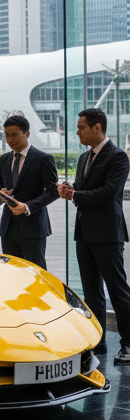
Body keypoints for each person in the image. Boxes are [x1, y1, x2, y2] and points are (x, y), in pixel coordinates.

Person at [58, 108, 130, 364]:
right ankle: (97, 342)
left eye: (81, 127)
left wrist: (75, 195)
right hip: (85, 232)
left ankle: (128, 344)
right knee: (91, 292)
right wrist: (70, 190)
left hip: (108, 233)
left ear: (97, 127)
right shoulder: (83, 158)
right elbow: (84, 189)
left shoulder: (118, 156)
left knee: (117, 290)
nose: (77, 132)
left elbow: (109, 192)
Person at [0, 114, 59, 270]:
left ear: (27, 134)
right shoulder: (4, 159)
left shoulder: (43, 159)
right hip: (8, 227)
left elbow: (53, 191)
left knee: (36, 272)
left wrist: (27, 207)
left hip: (33, 227)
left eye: (14, 135)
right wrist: (0, 194)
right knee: (12, 272)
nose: (10, 140)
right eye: (7, 135)